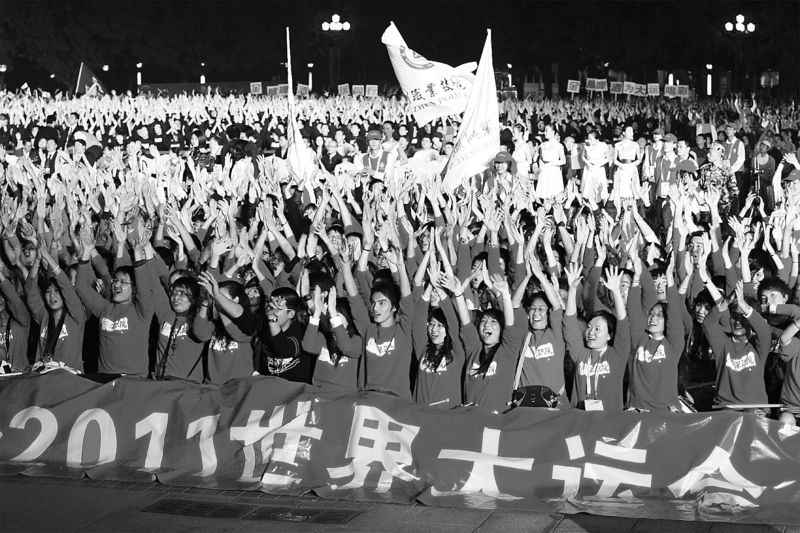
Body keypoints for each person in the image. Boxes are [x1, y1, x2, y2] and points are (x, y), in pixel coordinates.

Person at [563, 264, 630, 412]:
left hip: (610, 421)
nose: (591, 332)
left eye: (598, 329)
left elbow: (623, 325)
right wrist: (572, 290)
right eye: (589, 327)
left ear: (609, 335)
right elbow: (569, 324)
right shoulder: (580, 353)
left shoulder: (617, 355)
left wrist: (616, 291)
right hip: (579, 419)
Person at [535, 123, 566, 200]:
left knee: (553, 193)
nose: (544, 132)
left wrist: (551, 164)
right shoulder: (543, 145)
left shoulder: (558, 146)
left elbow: (563, 161)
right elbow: (540, 158)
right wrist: (541, 165)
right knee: (544, 193)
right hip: (544, 170)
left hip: (553, 171)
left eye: (546, 131)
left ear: (552, 132)